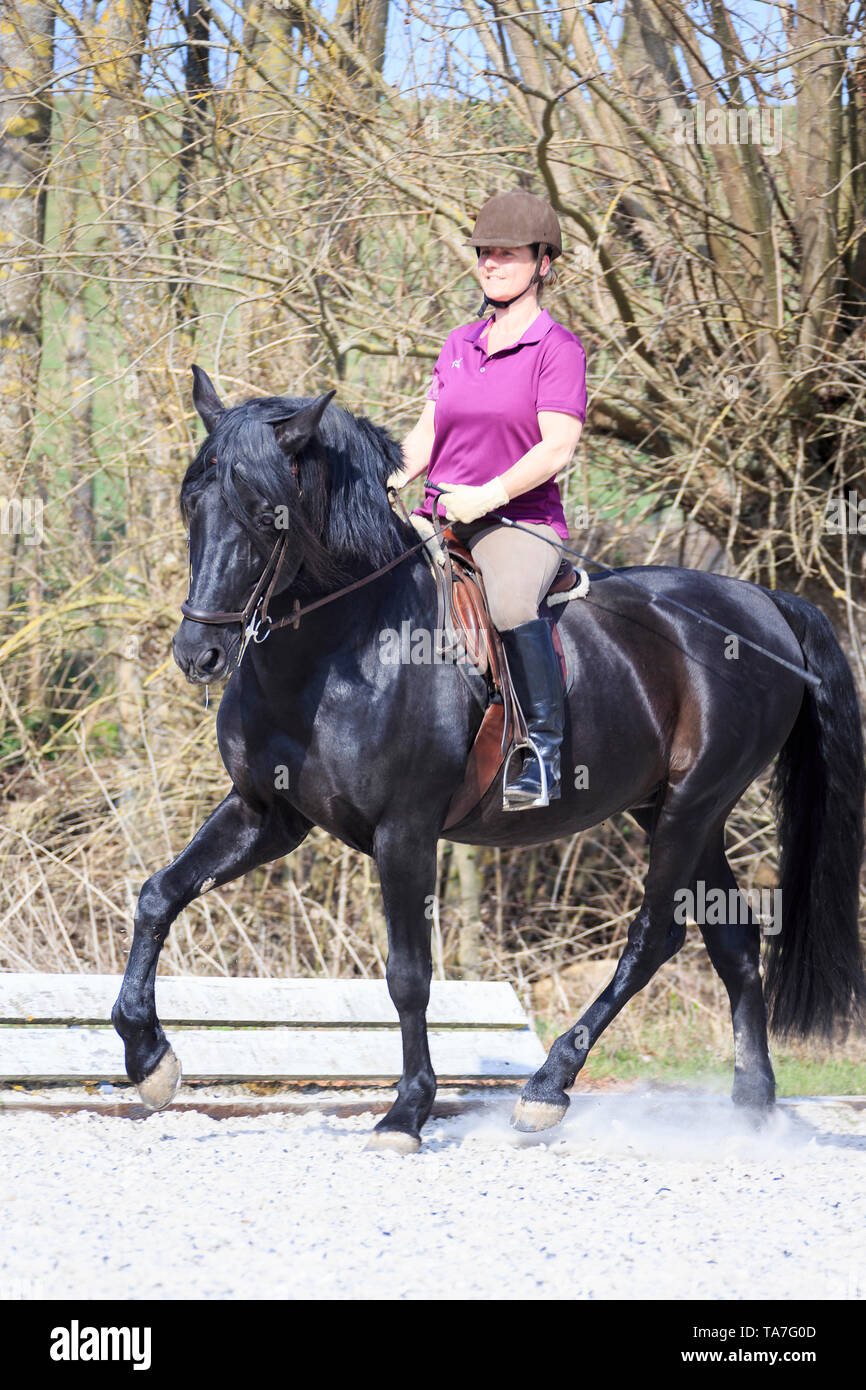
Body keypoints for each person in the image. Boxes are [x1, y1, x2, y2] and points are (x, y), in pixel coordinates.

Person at [388, 189, 587, 811]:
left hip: (517, 522)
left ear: (543, 263)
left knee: (505, 603)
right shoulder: (458, 343)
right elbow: (427, 433)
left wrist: (489, 495)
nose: (491, 264)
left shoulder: (558, 350)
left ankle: (542, 753)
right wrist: (389, 475)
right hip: (438, 513)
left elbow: (557, 448)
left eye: (506, 254)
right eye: (484, 253)